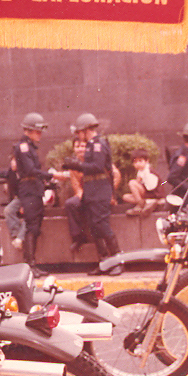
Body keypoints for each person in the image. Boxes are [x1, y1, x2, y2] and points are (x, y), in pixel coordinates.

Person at [63, 112, 123, 275]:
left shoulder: (98, 144)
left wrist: (76, 165)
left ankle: (117, 261)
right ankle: (104, 262)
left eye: (79, 132)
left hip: (100, 191)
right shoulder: (90, 144)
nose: (78, 136)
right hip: (92, 190)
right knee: (95, 228)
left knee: (102, 226)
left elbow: (97, 166)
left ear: (86, 130)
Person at [12, 111, 53, 274]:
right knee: (32, 226)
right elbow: (30, 170)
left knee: (35, 227)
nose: (40, 134)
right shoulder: (23, 147)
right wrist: (51, 175)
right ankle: (30, 265)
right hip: (29, 189)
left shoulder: (29, 147)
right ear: (28, 131)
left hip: (33, 189)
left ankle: (32, 264)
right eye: (37, 131)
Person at [0, 157, 24, 250]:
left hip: (27, 198)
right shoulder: (11, 172)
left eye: (15, 162)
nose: (13, 164)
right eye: (12, 162)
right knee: (8, 210)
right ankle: (16, 233)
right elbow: (3, 173)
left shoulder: (25, 173)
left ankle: (20, 236)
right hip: (18, 198)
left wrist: (24, 205)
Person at [124, 151, 161, 215]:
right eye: (135, 162)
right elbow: (138, 183)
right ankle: (145, 203)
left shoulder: (148, 171)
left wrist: (139, 182)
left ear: (147, 161)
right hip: (146, 194)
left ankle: (140, 205)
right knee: (125, 197)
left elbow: (151, 187)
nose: (138, 164)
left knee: (132, 183)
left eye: (140, 161)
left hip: (154, 193)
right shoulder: (140, 171)